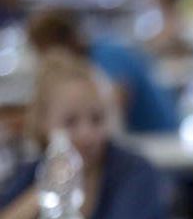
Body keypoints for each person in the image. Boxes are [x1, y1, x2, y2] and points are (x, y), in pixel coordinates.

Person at [0, 51, 174, 219]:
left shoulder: (135, 173)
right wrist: (43, 191)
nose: (87, 135)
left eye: (97, 119)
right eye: (70, 123)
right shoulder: (34, 171)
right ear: (44, 124)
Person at [27, 8, 178, 134]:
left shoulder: (106, 56)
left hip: (159, 136)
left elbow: (111, 110)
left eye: (43, 50)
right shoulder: (97, 55)